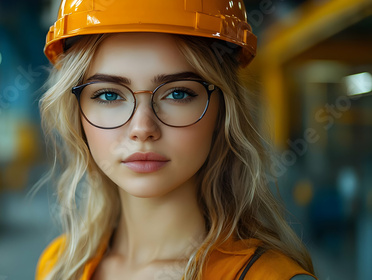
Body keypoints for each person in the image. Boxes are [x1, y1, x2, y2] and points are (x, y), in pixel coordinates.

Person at [34, 0, 317, 279]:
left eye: (178, 93)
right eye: (109, 94)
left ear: (223, 111)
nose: (142, 128)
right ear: (76, 114)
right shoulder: (58, 266)